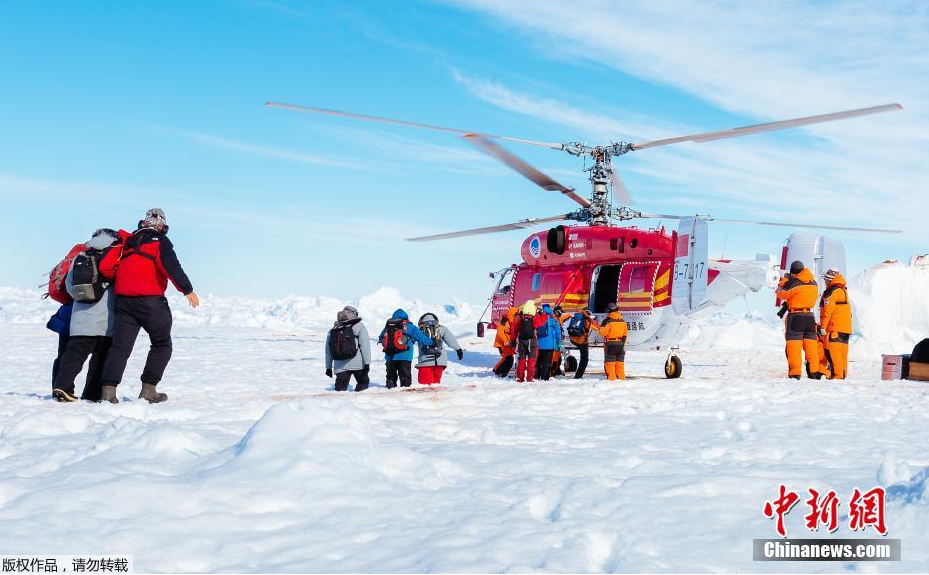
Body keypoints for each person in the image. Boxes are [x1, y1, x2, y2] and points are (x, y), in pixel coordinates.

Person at [98, 208, 200, 404]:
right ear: (162, 226)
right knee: (162, 344)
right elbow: (171, 267)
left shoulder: (126, 242)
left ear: (143, 223)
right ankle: (149, 390)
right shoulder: (159, 242)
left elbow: (105, 267)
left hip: (124, 301)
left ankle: (108, 394)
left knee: (120, 347)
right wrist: (187, 290)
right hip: (151, 301)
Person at [52, 229, 119, 402]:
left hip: (80, 319)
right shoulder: (114, 257)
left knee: (74, 355)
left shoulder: (80, 256)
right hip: (105, 321)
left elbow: (69, 285)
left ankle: (62, 386)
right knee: (100, 358)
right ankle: (92, 394)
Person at [776, 260, 822, 380]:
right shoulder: (814, 282)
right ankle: (814, 372)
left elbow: (780, 294)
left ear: (793, 273)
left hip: (796, 317)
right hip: (810, 318)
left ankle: (795, 374)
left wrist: (784, 281)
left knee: (794, 348)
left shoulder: (794, 283)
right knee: (811, 347)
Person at [378, 309, 432, 388]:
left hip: (390, 356)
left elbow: (380, 338)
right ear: (406, 317)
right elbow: (422, 339)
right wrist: (433, 342)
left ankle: (389, 396)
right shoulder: (409, 326)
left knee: (390, 378)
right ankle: (405, 398)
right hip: (405, 356)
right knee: (405, 380)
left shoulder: (388, 326)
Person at [325, 306, 372, 391]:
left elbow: (328, 351)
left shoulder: (334, 329)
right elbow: (365, 346)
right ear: (354, 314)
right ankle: (360, 403)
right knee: (363, 386)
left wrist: (328, 367)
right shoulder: (359, 326)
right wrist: (367, 363)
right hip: (357, 364)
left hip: (339, 366)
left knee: (340, 392)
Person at [818, 268, 851, 379]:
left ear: (830, 279)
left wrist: (822, 326)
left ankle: (837, 376)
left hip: (834, 327)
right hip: (845, 328)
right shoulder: (843, 290)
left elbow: (827, 310)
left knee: (834, 353)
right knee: (843, 354)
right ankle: (842, 375)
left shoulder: (831, 291)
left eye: (826, 279)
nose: (825, 281)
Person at [414, 312, 463, 385]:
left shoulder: (418, 330)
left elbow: (409, 341)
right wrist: (458, 349)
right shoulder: (441, 328)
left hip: (425, 361)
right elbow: (451, 340)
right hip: (440, 361)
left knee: (425, 388)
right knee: (436, 385)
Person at [512, 300, 546, 383]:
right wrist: (542, 313)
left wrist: (513, 340)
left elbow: (515, 329)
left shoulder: (520, 317)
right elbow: (542, 322)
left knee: (521, 359)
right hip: (532, 341)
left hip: (522, 340)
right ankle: (529, 379)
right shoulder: (534, 317)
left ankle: (520, 378)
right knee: (531, 360)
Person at [595, 303, 628, 381]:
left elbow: (602, 333)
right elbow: (625, 335)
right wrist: (621, 345)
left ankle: (611, 381)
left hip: (610, 345)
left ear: (609, 311)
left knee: (610, 364)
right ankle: (622, 381)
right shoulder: (623, 321)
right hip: (620, 345)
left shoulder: (607, 321)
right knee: (620, 364)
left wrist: (601, 327)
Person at [560, 306, 595, 378]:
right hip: (581, 341)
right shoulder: (587, 319)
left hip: (572, 339)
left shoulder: (576, 317)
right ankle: (578, 375)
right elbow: (596, 328)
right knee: (584, 359)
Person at [535, 304, 563, 381]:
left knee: (538, 361)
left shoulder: (539, 319)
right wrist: (558, 343)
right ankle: (545, 378)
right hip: (550, 345)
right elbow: (558, 334)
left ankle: (536, 376)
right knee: (547, 362)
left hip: (539, 344)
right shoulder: (554, 320)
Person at [492, 313, 515, 378]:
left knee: (510, 359)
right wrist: (505, 341)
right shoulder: (504, 321)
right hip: (501, 344)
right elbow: (500, 333)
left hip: (507, 345)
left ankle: (503, 374)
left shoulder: (511, 323)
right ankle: (497, 371)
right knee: (507, 358)